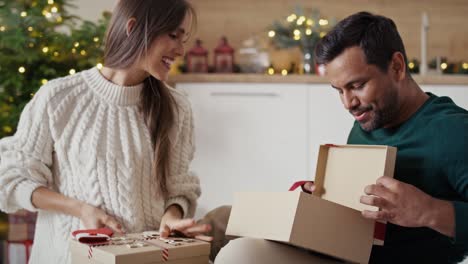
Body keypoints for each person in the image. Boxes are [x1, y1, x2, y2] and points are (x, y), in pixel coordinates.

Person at [215, 11, 468, 264]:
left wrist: (428, 212)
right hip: (347, 255)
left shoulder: (454, 131)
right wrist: (316, 202)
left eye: (357, 86)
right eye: (339, 91)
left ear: (397, 67)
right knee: (238, 252)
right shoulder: (365, 124)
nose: (348, 104)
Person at [0, 1, 212, 263]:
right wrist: (80, 209)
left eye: (184, 39)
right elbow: (11, 178)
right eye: (173, 36)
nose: (181, 50)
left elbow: (180, 188)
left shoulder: (178, 108)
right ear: (133, 28)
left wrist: (172, 216)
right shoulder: (58, 98)